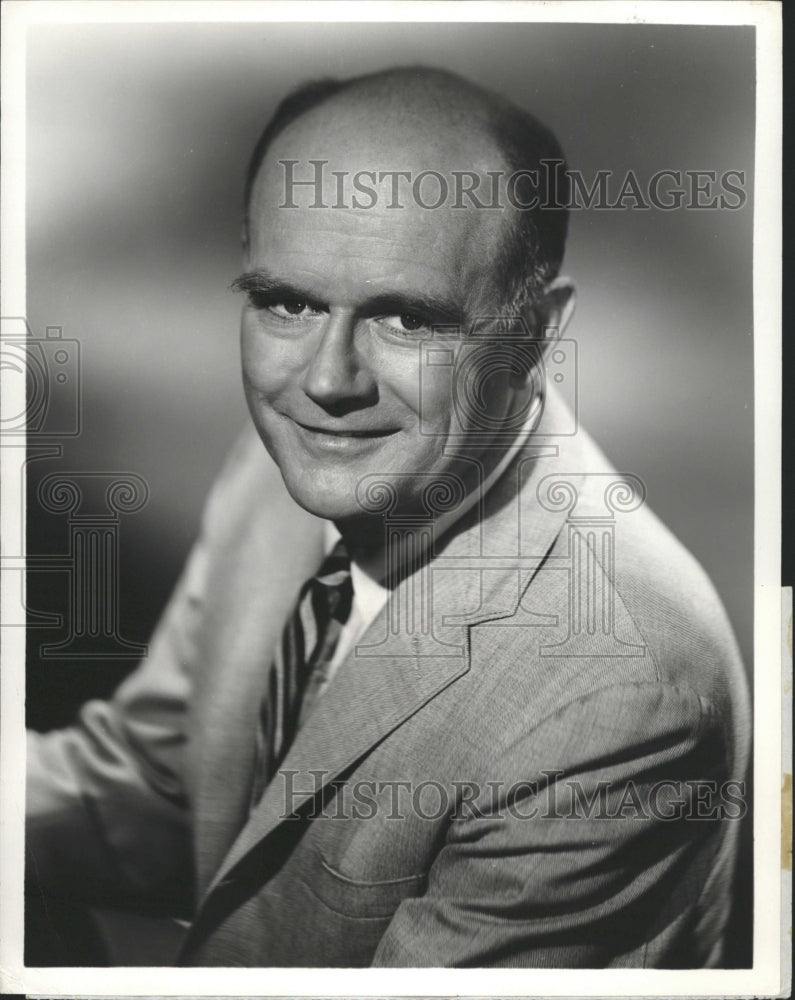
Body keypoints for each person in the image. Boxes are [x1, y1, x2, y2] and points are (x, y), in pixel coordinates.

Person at [26, 66, 750, 968]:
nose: (326, 382)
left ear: (536, 337)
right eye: (285, 303)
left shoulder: (622, 696)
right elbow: (167, 786)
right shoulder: (287, 463)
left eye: (405, 319)